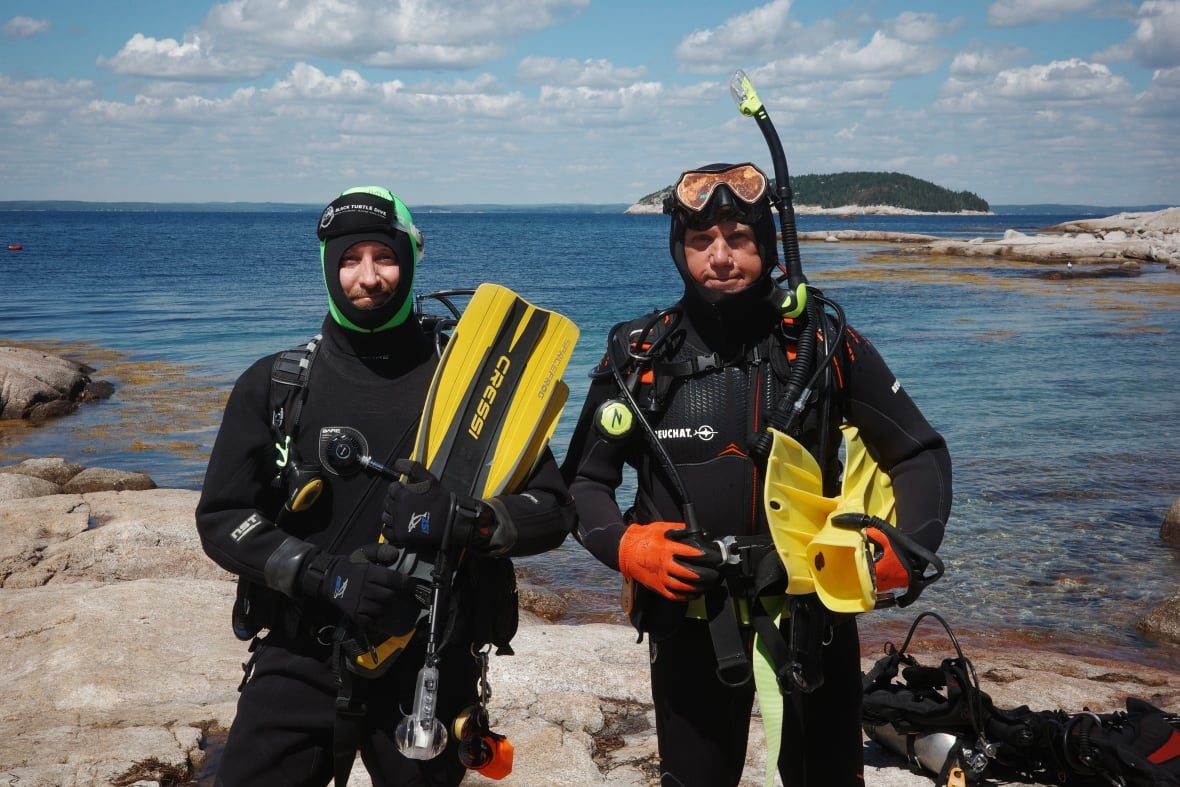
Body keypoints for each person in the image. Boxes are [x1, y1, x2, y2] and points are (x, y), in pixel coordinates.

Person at [561, 162, 952, 786]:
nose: (719, 257)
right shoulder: (638, 357)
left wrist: (907, 545)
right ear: (678, 249)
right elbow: (581, 484)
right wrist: (627, 546)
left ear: (769, 245)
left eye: (739, 238)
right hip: (689, 616)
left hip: (809, 617)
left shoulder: (825, 345)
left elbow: (919, 453)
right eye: (700, 242)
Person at [196, 185, 576, 787]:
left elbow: (553, 511)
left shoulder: (470, 384)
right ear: (326, 266)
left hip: (428, 664)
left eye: (385, 257)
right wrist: (323, 575)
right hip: (301, 656)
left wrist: (464, 519)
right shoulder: (276, 385)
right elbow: (223, 519)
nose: (368, 278)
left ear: (412, 259)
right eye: (349, 259)